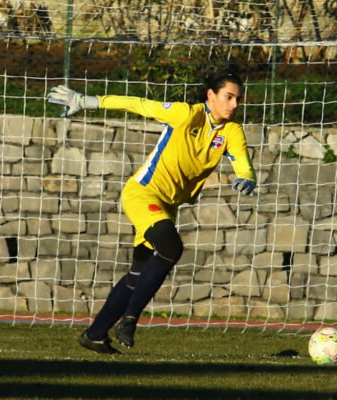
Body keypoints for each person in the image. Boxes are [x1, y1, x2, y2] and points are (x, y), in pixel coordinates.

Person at [47, 71, 257, 353]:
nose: (234, 104)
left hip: (166, 206)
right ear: (211, 96)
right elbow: (139, 104)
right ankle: (130, 320)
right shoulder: (185, 114)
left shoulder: (232, 131)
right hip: (142, 193)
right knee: (171, 247)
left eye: (238, 99)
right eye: (228, 97)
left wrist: (247, 177)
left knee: (138, 274)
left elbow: (242, 161)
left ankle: (95, 335)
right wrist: (89, 101)